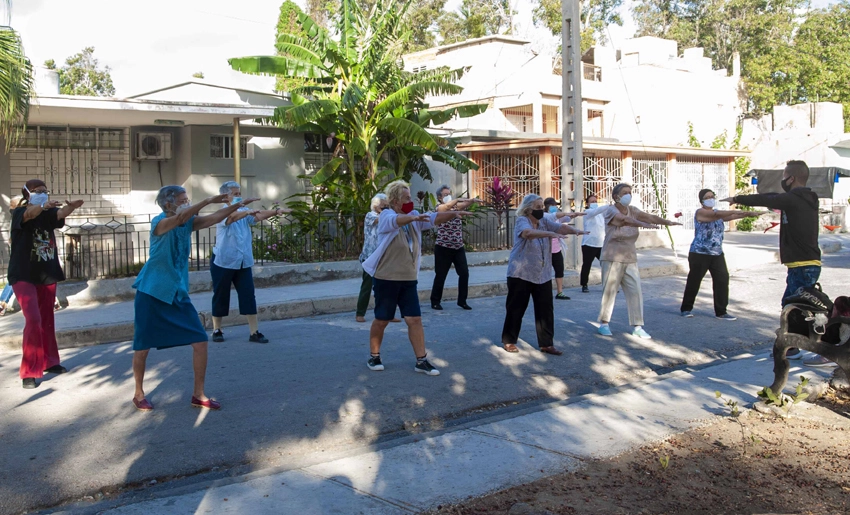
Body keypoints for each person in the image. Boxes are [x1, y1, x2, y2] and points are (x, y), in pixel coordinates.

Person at [131, 185, 259, 412]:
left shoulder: (188, 221)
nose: (186, 203)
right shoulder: (159, 223)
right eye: (182, 200)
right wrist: (208, 199)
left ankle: (198, 394)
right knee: (143, 347)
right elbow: (181, 217)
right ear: (168, 204)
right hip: (152, 291)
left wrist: (238, 205)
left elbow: (214, 218)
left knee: (200, 340)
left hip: (177, 293)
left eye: (187, 199)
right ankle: (138, 394)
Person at [362, 180, 471, 375]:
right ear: (395, 200)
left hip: (408, 278)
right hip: (386, 278)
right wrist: (414, 218)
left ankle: (421, 361)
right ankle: (374, 356)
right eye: (406, 198)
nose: (410, 201)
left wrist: (453, 213)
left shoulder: (413, 216)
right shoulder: (386, 215)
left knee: (415, 320)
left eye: (410, 197)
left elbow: (433, 218)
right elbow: (395, 222)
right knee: (382, 319)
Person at [720, 160, 821, 361]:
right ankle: (794, 347)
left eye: (784, 176)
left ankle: (820, 346)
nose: (783, 180)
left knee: (795, 307)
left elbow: (768, 197)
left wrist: (736, 198)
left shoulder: (794, 198)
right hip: (802, 263)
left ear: (791, 178)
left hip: (803, 264)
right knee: (795, 306)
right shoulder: (804, 198)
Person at [7, 180, 84, 389]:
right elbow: (29, 215)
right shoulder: (20, 212)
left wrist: (71, 207)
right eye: (37, 191)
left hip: (46, 273)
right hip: (23, 274)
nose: (42, 194)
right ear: (27, 194)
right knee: (33, 319)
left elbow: (59, 216)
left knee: (47, 319)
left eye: (44, 191)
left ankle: (51, 361)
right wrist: (42, 205)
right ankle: (29, 371)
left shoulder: (49, 212)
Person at [501, 194, 588, 355]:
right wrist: (549, 234)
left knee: (545, 310)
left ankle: (546, 344)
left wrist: (576, 231)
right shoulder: (522, 220)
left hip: (542, 273)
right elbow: (527, 233)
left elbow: (559, 228)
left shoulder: (544, 221)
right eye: (538, 207)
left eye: (542, 207)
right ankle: (509, 341)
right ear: (528, 209)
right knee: (516, 308)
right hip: (521, 273)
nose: (542, 210)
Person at [596, 183, 682, 339]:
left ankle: (638, 326)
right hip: (612, 257)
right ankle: (604, 323)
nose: (629, 195)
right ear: (616, 196)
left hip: (630, 257)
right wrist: (641, 224)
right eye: (625, 192)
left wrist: (666, 222)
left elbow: (649, 217)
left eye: (630, 192)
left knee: (635, 291)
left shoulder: (633, 210)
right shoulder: (610, 210)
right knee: (609, 292)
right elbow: (623, 220)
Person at [210, 181, 291, 344]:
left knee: (248, 295)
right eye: (236, 193)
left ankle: (254, 332)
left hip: (243, 261)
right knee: (220, 295)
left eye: (239, 193)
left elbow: (258, 215)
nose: (239, 196)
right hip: (223, 261)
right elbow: (231, 218)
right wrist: (246, 212)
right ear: (226, 196)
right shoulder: (222, 213)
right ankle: (217, 330)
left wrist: (276, 211)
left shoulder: (244, 211)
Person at [680, 189, 770, 320]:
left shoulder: (718, 215)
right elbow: (719, 214)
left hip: (717, 253)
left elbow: (733, 216)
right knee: (694, 280)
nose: (710, 198)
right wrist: (736, 210)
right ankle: (686, 309)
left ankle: (721, 311)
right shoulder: (701, 213)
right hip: (700, 253)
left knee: (722, 280)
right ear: (701, 201)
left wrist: (750, 213)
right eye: (707, 197)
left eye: (712, 196)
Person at [430, 185, 482, 310]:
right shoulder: (439, 208)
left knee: (464, 273)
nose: (448, 196)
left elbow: (461, 206)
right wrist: (458, 200)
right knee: (441, 275)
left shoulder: (456, 207)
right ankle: (435, 301)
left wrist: (471, 201)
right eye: (445, 195)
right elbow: (446, 208)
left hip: (458, 247)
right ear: (439, 197)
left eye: (450, 194)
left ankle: (462, 301)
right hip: (443, 247)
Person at [357, 193, 399, 323]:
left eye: (387, 205)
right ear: (375, 204)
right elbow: (380, 220)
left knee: (386, 287)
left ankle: (387, 314)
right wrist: (386, 212)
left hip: (384, 257)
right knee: (367, 286)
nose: (385, 207)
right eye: (383, 204)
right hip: (370, 257)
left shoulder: (387, 216)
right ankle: (360, 313)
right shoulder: (370, 215)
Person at [542, 197, 585, 300]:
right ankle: (543, 293)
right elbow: (554, 216)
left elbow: (566, 219)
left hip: (556, 249)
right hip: (545, 250)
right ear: (546, 206)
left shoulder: (558, 217)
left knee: (559, 270)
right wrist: (566, 214)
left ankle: (560, 292)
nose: (554, 207)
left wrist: (574, 214)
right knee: (544, 272)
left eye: (555, 205)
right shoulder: (544, 216)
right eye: (552, 205)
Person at [579, 195, 606, 293]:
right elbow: (595, 211)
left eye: (596, 201)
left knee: (606, 265)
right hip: (589, 244)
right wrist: (608, 206)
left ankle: (608, 285)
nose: (595, 203)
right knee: (587, 265)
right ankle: (584, 284)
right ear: (588, 204)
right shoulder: (587, 212)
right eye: (592, 201)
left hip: (601, 244)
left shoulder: (601, 214)